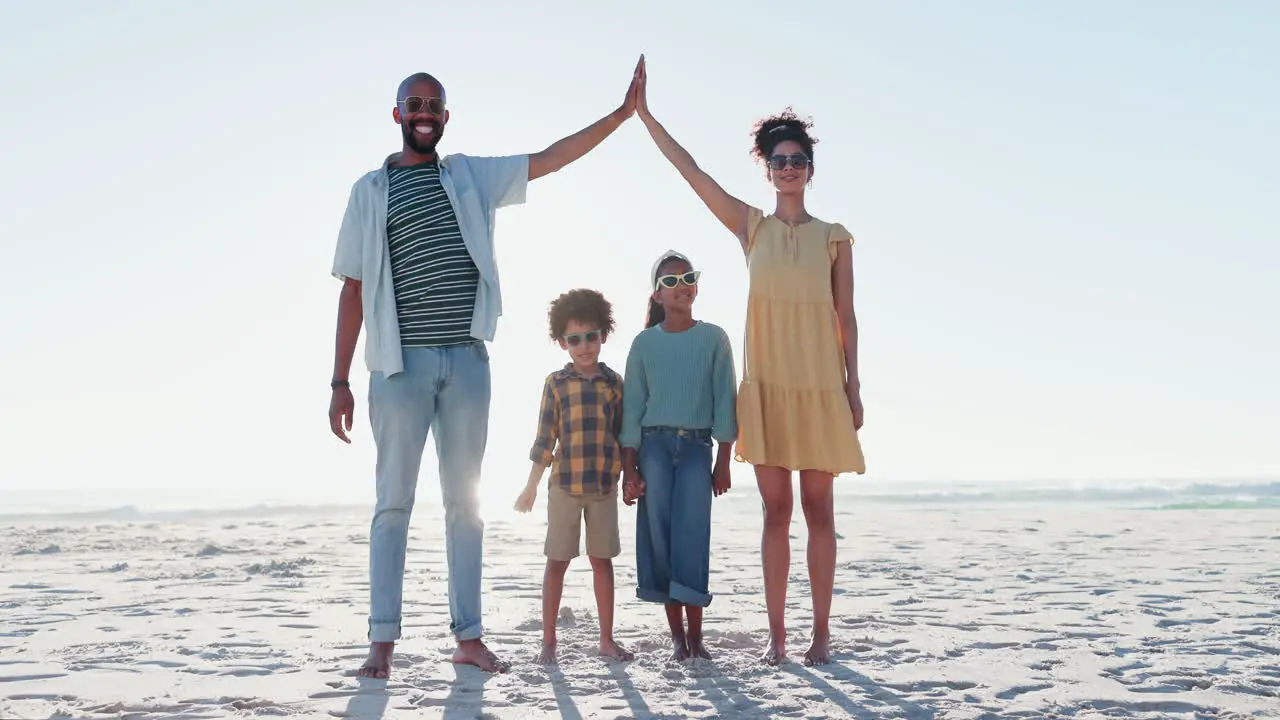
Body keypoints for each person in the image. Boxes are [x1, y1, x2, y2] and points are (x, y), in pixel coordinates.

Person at [326, 58, 644, 678]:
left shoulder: (469, 176)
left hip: (467, 363)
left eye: (433, 106)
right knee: (393, 503)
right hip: (399, 367)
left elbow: (549, 160)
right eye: (412, 105)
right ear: (398, 115)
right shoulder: (368, 191)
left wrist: (620, 115)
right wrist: (339, 380)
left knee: (465, 507)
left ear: (446, 117)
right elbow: (352, 288)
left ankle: (467, 636)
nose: (423, 114)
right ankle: (381, 644)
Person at [631, 58, 866, 666]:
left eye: (797, 160)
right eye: (779, 161)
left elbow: (847, 317)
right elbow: (692, 173)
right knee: (774, 513)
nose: (789, 168)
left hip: (819, 388)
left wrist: (854, 387)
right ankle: (778, 637)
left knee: (819, 512)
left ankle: (819, 633)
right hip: (766, 389)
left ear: (811, 169)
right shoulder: (751, 227)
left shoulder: (834, 237)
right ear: (767, 169)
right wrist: (646, 117)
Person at [619, 250, 736, 662]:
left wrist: (724, 460)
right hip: (652, 447)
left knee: (692, 537)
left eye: (686, 277)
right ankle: (677, 640)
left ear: (696, 285)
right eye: (670, 281)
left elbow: (726, 401)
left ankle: (697, 639)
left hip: (696, 449)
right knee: (659, 539)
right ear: (657, 295)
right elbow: (631, 408)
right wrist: (628, 469)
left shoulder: (714, 338)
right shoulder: (643, 344)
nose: (680, 286)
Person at [513, 289, 634, 665]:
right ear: (562, 342)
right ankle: (548, 640)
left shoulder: (614, 384)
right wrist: (531, 486)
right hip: (564, 487)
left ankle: (606, 639)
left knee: (602, 561)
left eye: (591, 336)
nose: (584, 346)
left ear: (603, 335)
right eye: (574, 339)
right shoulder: (556, 383)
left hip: (602, 487)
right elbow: (545, 438)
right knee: (557, 561)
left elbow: (624, 436)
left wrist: (631, 476)